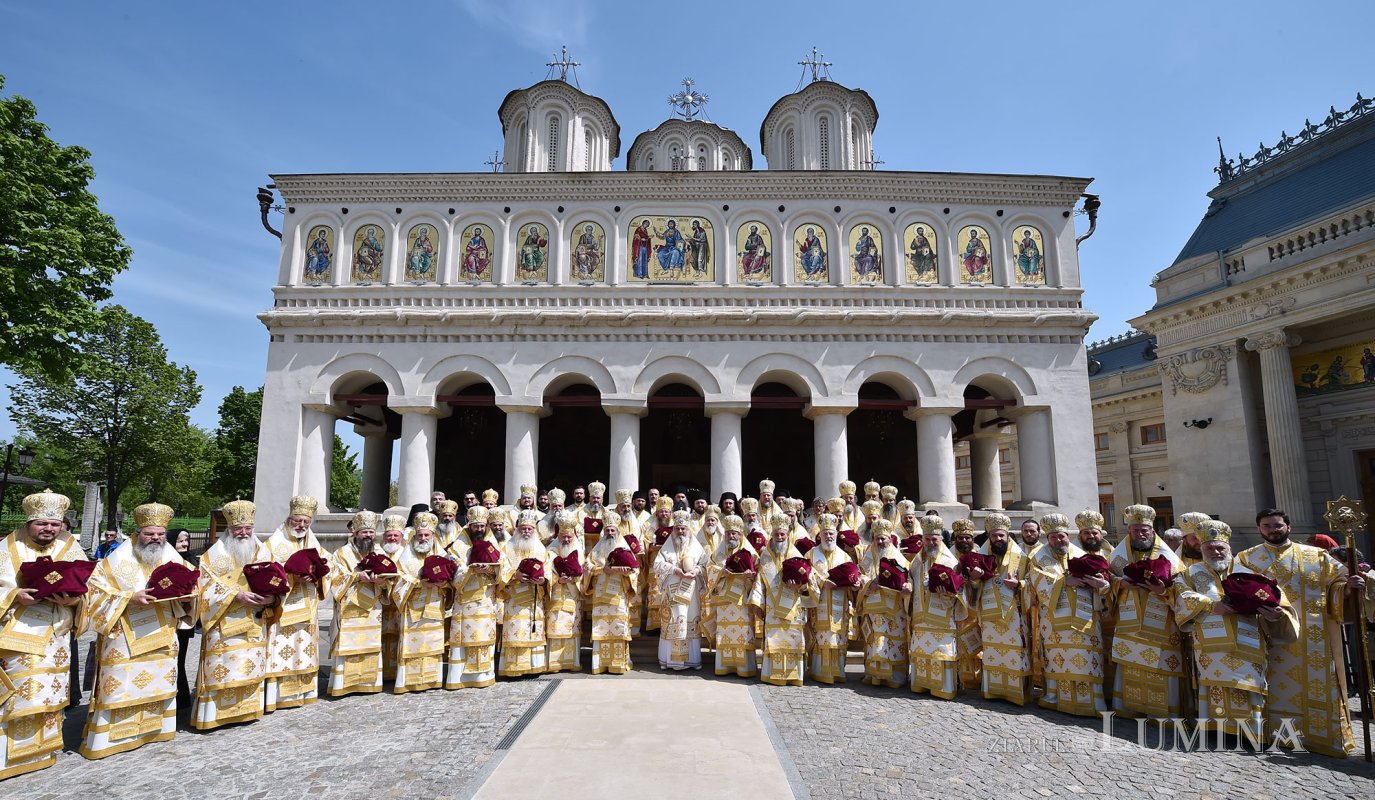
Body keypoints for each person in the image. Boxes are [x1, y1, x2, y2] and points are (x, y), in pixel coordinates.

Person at [1236, 508, 1366, 757]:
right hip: (1268, 634)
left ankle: (1318, 736)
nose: (1273, 530)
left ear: (1288, 527)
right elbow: (1238, 591)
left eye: (1277, 525)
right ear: (1259, 529)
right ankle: (1274, 734)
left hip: (1313, 638)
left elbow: (1337, 585)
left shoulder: (1316, 555)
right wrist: (1259, 608)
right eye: (1266, 526)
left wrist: (1350, 587)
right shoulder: (1246, 558)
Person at [80, 502, 195, 759]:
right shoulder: (117, 559)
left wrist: (188, 598)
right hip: (123, 634)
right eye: (149, 533)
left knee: (157, 682)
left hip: (162, 632)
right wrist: (130, 598)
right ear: (137, 533)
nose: (155, 538)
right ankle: (112, 737)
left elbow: (193, 585)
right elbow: (94, 591)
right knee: (122, 683)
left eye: (160, 534)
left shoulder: (171, 556)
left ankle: (153, 730)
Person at [1175, 519, 1297, 737]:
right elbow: (1182, 596)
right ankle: (1215, 730)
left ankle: (1252, 733)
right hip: (1211, 644)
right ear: (1202, 550)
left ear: (1229, 548)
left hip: (1247, 640)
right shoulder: (1190, 573)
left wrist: (1276, 614)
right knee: (1214, 685)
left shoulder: (1250, 573)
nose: (1216, 552)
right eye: (1210, 548)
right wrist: (1212, 605)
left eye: (1220, 548)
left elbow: (1275, 599)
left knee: (1248, 684)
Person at [0, 490, 85, 779]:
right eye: (41, 523)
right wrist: (14, 595)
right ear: (29, 523)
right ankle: (8, 756)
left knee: (50, 690)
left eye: (54, 524)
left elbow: (92, 589)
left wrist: (73, 600)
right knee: (19, 692)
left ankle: (41, 752)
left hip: (56, 634)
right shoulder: (7, 548)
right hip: (17, 632)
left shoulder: (70, 547)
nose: (48, 529)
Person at [193, 499, 271, 730]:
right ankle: (216, 716)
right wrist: (235, 595)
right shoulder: (212, 556)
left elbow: (277, 579)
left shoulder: (263, 551)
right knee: (222, 667)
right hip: (223, 623)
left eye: (248, 528)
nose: (243, 533)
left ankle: (247, 711)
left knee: (250, 664)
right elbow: (203, 588)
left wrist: (272, 598)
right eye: (238, 529)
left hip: (254, 620)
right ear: (229, 529)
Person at [1026, 514, 1112, 717]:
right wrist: (1064, 582)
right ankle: (1055, 698)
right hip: (1054, 622)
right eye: (1053, 537)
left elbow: (1104, 585)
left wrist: (1101, 585)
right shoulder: (1038, 557)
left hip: (1085, 619)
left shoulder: (1081, 554)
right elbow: (1036, 581)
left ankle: (1091, 702)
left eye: (1061, 536)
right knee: (1057, 658)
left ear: (1068, 536)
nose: (1058, 540)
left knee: (1087, 657)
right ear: (1048, 538)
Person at [1108, 504, 1185, 719]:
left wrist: (1163, 591)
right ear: (1129, 531)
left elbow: (1182, 587)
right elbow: (1107, 580)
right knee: (1130, 661)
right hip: (1129, 622)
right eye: (1136, 530)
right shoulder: (1118, 556)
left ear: (1152, 531)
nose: (1140, 534)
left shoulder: (1169, 557)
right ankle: (1129, 709)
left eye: (1144, 530)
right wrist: (1120, 584)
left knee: (1161, 665)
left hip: (1161, 622)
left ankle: (1161, 714)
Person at [264, 495, 326, 712]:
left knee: (304, 648)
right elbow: (266, 573)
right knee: (282, 649)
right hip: (284, 609)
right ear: (289, 519)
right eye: (298, 521)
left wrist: (317, 576)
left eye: (306, 522)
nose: (301, 525)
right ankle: (278, 697)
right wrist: (291, 578)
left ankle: (304, 692)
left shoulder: (313, 542)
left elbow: (327, 567)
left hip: (307, 608)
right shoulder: (273, 544)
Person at [323, 510, 388, 698]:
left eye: (371, 532)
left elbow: (391, 575)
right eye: (364, 532)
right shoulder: (341, 553)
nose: (368, 535)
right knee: (348, 645)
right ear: (356, 532)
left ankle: (368, 683)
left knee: (370, 645)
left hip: (373, 608)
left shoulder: (380, 552)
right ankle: (344, 685)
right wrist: (357, 576)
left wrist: (383, 581)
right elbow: (334, 578)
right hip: (350, 607)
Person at [907, 514, 968, 698]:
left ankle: (943, 688)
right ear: (922, 539)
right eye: (927, 539)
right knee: (922, 651)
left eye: (934, 539)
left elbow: (961, 591)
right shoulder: (917, 561)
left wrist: (948, 594)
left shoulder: (951, 562)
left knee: (941, 653)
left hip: (942, 617)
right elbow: (910, 580)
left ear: (941, 539)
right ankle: (922, 685)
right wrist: (907, 587)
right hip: (920, 616)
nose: (931, 543)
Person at [751, 518, 816, 686]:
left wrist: (800, 586)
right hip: (772, 608)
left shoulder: (797, 556)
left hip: (793, 608)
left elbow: (810, 583)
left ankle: (793, 676)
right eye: (777, 534)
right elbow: (759, 582)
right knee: (774, 640)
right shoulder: (765, 558)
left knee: (793, 641)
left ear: (787, 535)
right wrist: (758, 604)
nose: (779, 537)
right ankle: (772, 675)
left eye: (782, 534)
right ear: (772, 535)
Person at [389, 513, 448, 693]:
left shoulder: (441, 554)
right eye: (420, 535)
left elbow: (452, 579)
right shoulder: (405, 556)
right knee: (412, 645)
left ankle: (432, 680)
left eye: (426, 535)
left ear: (432, 536)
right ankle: (408, 682)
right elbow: (397, 579)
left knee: (432, 643)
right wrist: (418, 583)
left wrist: (445, 583)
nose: (423, 538)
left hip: (435, 606)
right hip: (413, 607)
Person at [445, 506, 501, 689]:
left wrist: (490, 569)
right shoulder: (458, 545)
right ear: (469, 526)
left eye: (482, 526)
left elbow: (503, 566)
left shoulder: (492, 541)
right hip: (465, 601)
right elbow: (453, 567)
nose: (479, 529)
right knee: (463, 637)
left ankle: (483, 676)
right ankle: (459, 678)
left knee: (484, 635)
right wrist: (470, 570)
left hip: (485, 599)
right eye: (476, 526)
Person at [652, 511, 709, 670]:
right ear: (673, 529)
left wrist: (696, 571)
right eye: (677, 529)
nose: (680, 531)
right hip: (672, 592)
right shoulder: (667, 547)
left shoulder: (696, 547)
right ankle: (670, 661)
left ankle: (691, 660)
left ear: (688, 529)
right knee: (673, 621)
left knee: (689, 621)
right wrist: (674, 570)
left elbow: (705, 565)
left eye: (683, 528)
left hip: (690, 593)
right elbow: (657, 565)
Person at [703, 515, 758, 677]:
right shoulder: (718, 553)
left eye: (734, 533)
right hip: (724, 601)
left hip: (742, 600)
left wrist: (750, 576)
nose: (731, 536)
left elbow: (759, 574)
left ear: (741, 535)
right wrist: (721, 572)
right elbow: (709, 569)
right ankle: (724, 667)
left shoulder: (751, 553)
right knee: (725, 633)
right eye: (728, 533)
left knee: (743, 633)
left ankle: (744, 668)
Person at [857, 520, 910, 688]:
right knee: (874, 640)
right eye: (877, 539)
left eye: (883, 539)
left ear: (890, 538)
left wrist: (904, 587)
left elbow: (907, 579)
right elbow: (861, 574)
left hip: (893, 609)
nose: (880, 542)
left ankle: (895, 677)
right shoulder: (869, 555)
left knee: (892, 641)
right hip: (873, 608)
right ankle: (874, 675)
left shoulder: (898, 557)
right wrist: (868, 583)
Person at [497, 511, 548, 677]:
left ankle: (534, 667)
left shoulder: (540, 548)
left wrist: (543, 580)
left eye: (529, 529)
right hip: (514, 599)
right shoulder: (507, 547)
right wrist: (514, 575)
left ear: (534, 530)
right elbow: (501, 568)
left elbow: (548, 570)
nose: (526, 532)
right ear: (517, 529)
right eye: (523, 528)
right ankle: (514, 669)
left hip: (533, 598)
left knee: (532, 631)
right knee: (516, 630)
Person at [587, 512, 639, 675]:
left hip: (618, 596)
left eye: (612, 530)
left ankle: (618, 663)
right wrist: (602, 569)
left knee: (618, 627)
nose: (610, 533)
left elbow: (635, 570)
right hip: (600, 596)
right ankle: (600, 664)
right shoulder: (597, 549)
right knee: (601, 628)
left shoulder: (625, 549)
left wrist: (626, 573)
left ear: (617, 531)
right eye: (607, 530)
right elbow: (587, 567)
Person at [809, 515, 855, 684]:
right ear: (819, 535)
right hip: (819, 603)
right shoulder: (811, 554)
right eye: (825, 533)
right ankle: (818, 672)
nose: (828, 537)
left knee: (838, 636)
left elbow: (852, 576)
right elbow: (808, 575)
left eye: (831, 534)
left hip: (839, 604)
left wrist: (854, 584)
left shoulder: (845, 557)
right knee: (820, 636)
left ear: (836, 534)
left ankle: (838, 672)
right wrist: (822, 582)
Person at [545, 511, 586, 673]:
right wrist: (558, 580)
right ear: (559, 536)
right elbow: (546, 570)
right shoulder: (551, 549)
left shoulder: (578, 549)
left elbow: (584, 571)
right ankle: (554, 664)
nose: (566, 540)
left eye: (569, 537)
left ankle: (572, 663)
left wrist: (574, 579)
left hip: (572, 595)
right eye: (563, 537)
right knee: (554, 626)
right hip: (555, 594)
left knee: (571, 627)